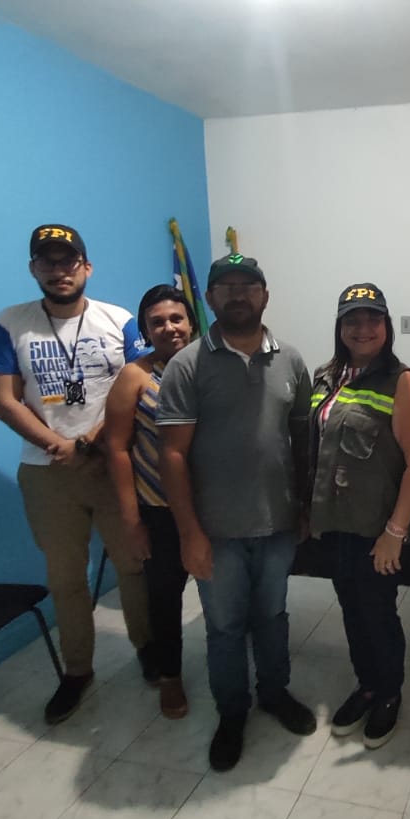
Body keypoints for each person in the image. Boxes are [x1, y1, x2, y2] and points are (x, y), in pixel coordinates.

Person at [0, 224, 154, 724]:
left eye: (68, 261)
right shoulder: (10, 323)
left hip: (112, 462)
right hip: (47, 471)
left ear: (86, 267)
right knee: (65, 578)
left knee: (134, 565)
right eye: (47, 262)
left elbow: (142, 384)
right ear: (34, 269)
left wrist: (93, 440)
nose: (59, 271)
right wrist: (58, 445)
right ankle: (77, 669)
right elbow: (4, 402)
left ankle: (148, 650)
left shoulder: (118, 320)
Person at [156, 253, 316, 772]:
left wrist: (304, 507)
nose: (238, 294)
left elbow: (301, 439)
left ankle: (274, 693)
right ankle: (232, 712)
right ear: (209, 298)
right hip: (216, 529)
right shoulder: (187, 365)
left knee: (272, 617)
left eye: (249, 285)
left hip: (278, 523)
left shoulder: (291, 360)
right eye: (226, 286)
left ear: (265, 295)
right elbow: (172, 455)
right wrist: (189, 534)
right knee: (225, 628)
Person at [309, 283, 410, 749]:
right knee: (351, 610)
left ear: (386, 326)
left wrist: (394, 533)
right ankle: (366, 685)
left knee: (378, 613)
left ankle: (389, 692)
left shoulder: (401, 381)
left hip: (375, 528)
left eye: (373, 319)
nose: (363, 329)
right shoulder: (325, 377)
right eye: (353, 320)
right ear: (340, 327)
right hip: (334, 523)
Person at [105, 284, 197, 720]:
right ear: (145, 329)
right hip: (159, 509)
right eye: (157, 322)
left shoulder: (209, 368)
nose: (169, 328)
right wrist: (131, 521)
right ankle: (170, 676)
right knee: (164, 598)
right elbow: (117, 448)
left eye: (176, 318)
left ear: (191, 322)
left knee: (226, 593)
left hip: (212, 505)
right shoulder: (135, 376)